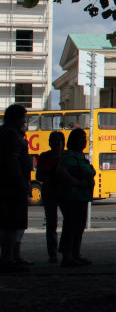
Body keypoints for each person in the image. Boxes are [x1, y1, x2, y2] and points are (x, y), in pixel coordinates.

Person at [58, 127, 96, 267]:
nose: (84, 141)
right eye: (82, 138)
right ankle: (67, 256)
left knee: (79, 226)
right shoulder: (69, 156)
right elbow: (63, 172)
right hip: (72, 197)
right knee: (71, 226)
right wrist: (77, 182)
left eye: (85, 138)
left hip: (82, 197)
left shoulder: (80, 155)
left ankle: (75, 254)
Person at [0, 104, 31, 272]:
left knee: (8, 224)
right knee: (11, 224)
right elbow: (13, 161)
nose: (24, 121)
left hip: (8, 185)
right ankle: (8, 259)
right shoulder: (11, 135)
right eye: (22, 118)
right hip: (12, 187)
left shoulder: (4, 132)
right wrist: (21, 183)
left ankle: (9, 257)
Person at [35, 131, 65, 264]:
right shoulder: (45, 156)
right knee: (51, 224)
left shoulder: (66, 156)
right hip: (51, 193)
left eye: (59, 142)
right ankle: (53, 254)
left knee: (69, 223)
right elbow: (39, 176)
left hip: (64, 192)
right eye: (55, 142)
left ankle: (66, 251)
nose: (57, 145)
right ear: (50, 143)